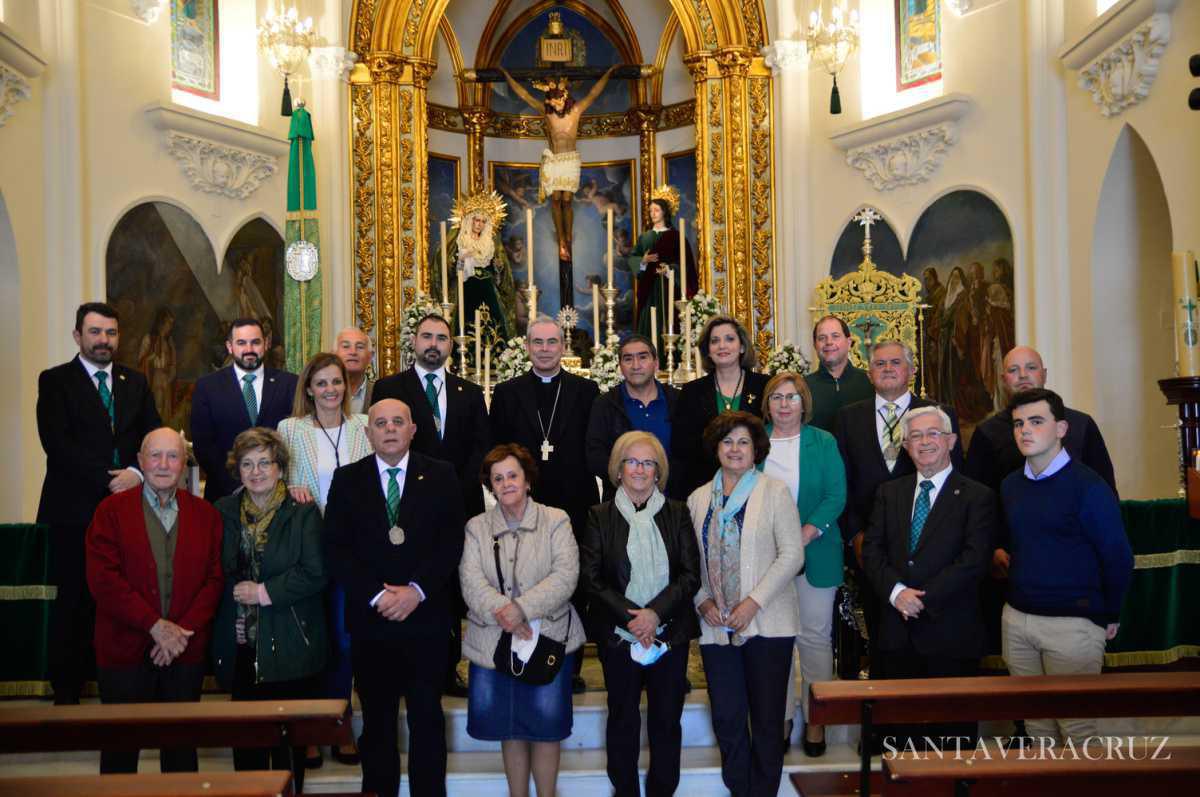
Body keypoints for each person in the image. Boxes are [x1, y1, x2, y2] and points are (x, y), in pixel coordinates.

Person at [323, 399, 465, 797]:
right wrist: (376, 595)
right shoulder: (347, 479)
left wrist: (416, 592)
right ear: (367, 433)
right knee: (378, 724)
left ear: (412, 429)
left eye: (397, 422)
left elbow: (451, 541)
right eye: (380, 423)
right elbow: (336, 549)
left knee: (427, 720)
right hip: (372, 623)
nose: (389, 429)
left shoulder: (440, 475)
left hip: (426, 620)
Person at [38, 302, 162, 704]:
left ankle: (121, 682)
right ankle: (67, 690)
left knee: (124, 596)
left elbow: (153, 435)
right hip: (72, 510)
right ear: (78, 336)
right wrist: (111, 479)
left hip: (129, 510)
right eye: (95, 332)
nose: (103, 340)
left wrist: (138, 474)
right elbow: (57, 445)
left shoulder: (136, 382)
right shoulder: (55, 381)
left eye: (110, 333)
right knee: (73, 598)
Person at [964, 345, 1117, 668]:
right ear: (1003, 379)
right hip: (1015, 588)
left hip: (1074, 600)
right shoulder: (989, 435)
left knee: (1073, 715)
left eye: (1030, 368)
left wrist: (1109, 611)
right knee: (1030, 712)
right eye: (1014, 370)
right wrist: (992, 547)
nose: (1023, 376)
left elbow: (1113, 539)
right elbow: (979, 503)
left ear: (1044, 374)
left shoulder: (1082, 427)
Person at [1001, 388, 1133, 745]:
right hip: (1018, 620)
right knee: (1036, 729)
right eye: (1018, 423)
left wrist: (1110, 613)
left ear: (1061, 428)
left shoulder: (1089, 487)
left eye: (1036, 421)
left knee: (1076, 730)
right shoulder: (1011, 486)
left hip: (1073, 625)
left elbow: (1118, 556)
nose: (1025, 430)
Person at [85, 428, 222, 773]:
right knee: (119, 755)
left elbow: (214, 580)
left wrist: (179, 633)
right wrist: (155, 627)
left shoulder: (206, 515)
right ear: (141, 461)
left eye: (173, 456)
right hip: (124, 651)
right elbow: (104, 581)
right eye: (155, 455)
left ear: (184, 464)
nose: (163, 464)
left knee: (180, 756)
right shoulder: (110, 511)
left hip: (183, 650)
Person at [861, 406, 995, 749]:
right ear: (906, 446)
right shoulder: (888, 493)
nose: (924, 442)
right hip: (896, 636)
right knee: (899, 742)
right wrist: (897, 594)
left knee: (951, 742)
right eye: (915, 436)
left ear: (950, 440)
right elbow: (872, 551)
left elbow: (974, 560)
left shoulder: (977, 496)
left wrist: (922, 599)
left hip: (951, 635)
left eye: (932, 433)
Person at [373, 313, 492, 696]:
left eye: (442, 338)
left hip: (459, 501)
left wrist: (454, 488)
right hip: (405, 504)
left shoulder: (469, 392)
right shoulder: (391, 386)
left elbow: (481, 447)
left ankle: (447, 667)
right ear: (415, 341)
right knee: (409, 578)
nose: (433, 344)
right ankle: (404, 665)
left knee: (451, 586)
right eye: (427, 336)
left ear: (450, 346)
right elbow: (385, 442)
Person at [460, 444, 587, 797]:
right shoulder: (476, 527)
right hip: (494, 640)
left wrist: (522, 610)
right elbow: (470, 582)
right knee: (510, 724)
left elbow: (566, 575)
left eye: (512, 475)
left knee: (546, 726)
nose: (506, 483)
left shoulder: (556, 519)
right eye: (497, 479)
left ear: (527, 479)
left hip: (546, 636)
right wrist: (506, 613)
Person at [690, 411, 803, 797]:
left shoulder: (775, 492)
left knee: (768, 721)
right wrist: (702, 601)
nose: (734, 449)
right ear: (715, 448)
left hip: (768, 624)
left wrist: (752, 603)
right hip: (716, 626)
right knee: (727, 719)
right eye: (727, 442)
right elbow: (689, 562)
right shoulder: (698, 498)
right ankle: (740, 790)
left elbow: (792, 556)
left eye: (743, 442)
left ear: (756, 449)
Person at [581, 432, 700, 797]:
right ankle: (626, 790)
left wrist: (656, 614)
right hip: (620, 636)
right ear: (618, 470)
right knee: (623, 719)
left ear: (658, 471)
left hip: (670, 633)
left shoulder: (677, 512)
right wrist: (635, 617)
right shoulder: (598, 516)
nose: (640, 469)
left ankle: (663, 790)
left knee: (667, 720)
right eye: (632, 461)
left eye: (648, 463)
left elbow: (691, 574)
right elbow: (591, 577)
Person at [212, 428, 328, 792]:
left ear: (280, 468)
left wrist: (263, 592)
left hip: (291, 639)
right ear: (237, 469)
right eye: (247, 464)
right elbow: (215, 570)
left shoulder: (302, 510)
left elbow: (316, 572)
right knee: (247, 744)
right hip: (242, 642)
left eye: (265, 462)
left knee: (287, 750)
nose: (256, 471)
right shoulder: (224, 510)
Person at [490, 314, 600, 693]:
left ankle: (567, 664)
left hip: (574, 501)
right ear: (527, 347)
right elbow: (497, 451)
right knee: (523, 580)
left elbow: (592, 446)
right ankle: (520, 656)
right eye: (538, 342)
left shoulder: (586, 392)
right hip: (524, 503)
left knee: (569, 584)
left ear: (563, 347)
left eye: (552, 342)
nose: (545, 349)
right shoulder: (506, 393)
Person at [277, 352, 372, 766]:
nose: (331, 390)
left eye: (337, 382)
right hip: (307, 550)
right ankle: (309, 730)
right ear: (309, 389)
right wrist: (291, 489)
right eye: (322, 383)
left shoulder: (364, 427)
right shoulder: (290, 429)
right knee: (310, 639)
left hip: (352, 551)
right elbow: (275, 481)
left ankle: (340, 725)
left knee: (344, 639)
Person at [760, 373, 846, 757]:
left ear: (803, 402)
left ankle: (817, 721)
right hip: (766, 559)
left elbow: (835, 494)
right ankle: (779, 717)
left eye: (791, 397)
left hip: (816, 552)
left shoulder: (822, 441)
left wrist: (804, 533)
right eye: (776, 397)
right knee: (775, 643)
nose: (784, 404)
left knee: (814, 640)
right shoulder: (755, 440)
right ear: (767, 403)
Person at [500, 65, 618, 267]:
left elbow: (594, 92)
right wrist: (506, 74)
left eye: (558, 102)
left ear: (565, 97)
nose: (556, 107)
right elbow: (525, 95)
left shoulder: (576, 111)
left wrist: (610, 72)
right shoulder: (548, 114)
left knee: (566, 199)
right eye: (552, 104)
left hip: (570, 159)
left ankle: (568, 237)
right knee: (555, 200)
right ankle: (561, 240)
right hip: (554, 159)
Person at [191, 318, 298, 502]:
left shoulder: (290, 384)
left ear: (266, 344)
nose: (249, 349)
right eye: (241, 343)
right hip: (224, 496)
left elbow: (297, 440)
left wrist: (274, 481)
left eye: (255, 342)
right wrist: (238, 485)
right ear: (230, 346)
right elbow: (204, 445)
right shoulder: (207, 387)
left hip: (279, 495)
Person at [673, 315, 769, 498]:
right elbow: (681, 447)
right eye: (715, 341)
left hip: (756, 485)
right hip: (705, 487)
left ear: (742, 346)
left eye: (729, 339)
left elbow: (770, 436)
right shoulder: (692, 391)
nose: (722, 346)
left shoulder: (764, 386)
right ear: (708, 350)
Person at [586, 335, 682, 501]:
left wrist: (661, 479)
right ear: (620, 366)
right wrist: (629, 481)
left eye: (643, 357)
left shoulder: (678, 401)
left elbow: (687, 452)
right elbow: (595, 454)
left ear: (656, 363)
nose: (636, 365)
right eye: (628, 359)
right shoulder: (605, 404)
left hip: (671, 503)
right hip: (619, 504)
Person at [443, 190, 518, 342]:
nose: (479, 224)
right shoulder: (460, 241)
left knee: (493, 331)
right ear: (469, 220)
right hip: (466, 290)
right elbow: (449, 270)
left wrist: (498, 268)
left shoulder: (490, 244)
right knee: (465, 326)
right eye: (476, 220)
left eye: (483, 221)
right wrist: (461, 259)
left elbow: (500, 277)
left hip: (488, 290)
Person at [625, 195, 696, 341]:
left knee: (670, 321)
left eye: (656, 210)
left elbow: (685, 263)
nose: (653, 214)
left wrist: (670, 269)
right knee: (649, 326)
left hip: (669, 288)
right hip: (649, 290)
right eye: (650, 211)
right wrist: (643, 261)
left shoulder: (676, 237)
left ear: (664, 212)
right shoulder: (644, 238)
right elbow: (633, 258)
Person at [803, 315, 873, 432]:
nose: (829, 342)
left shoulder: (870, 382)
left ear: (849, 342)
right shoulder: (803, 387)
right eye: (822, 338)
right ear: (815, 345)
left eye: (835, 336)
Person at [335, 326, 374, 414]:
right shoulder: (321, 393)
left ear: (370, 357)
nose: (353, 352)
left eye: (360, 347)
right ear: (334, 354)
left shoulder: (381, 392)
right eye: (345, 346)